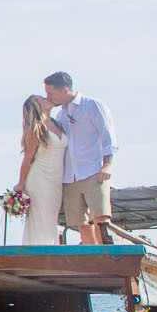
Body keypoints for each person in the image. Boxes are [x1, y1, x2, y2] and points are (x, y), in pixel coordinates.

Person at [42, 71, 118, 244]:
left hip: (93, 170)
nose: (48, 97)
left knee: (101, 218)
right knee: (81, 222)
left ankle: (105, 256)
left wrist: (107, 165)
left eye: (51, 93)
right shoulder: (61, 114)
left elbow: (108, 136)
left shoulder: (93, 105)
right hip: (70, 176)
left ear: (65, 90)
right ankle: (92, 259)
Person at [12, 95, 66, 244]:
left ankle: (50, 249)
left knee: (51, 218)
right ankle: (41, 252)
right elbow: (27, 158)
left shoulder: (57, 123)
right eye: (42, 98)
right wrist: (20, 184)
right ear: (37, 105)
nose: (46, 98)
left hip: (56, 179)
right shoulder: (35, 128)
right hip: (40, 178)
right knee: (41, 217)